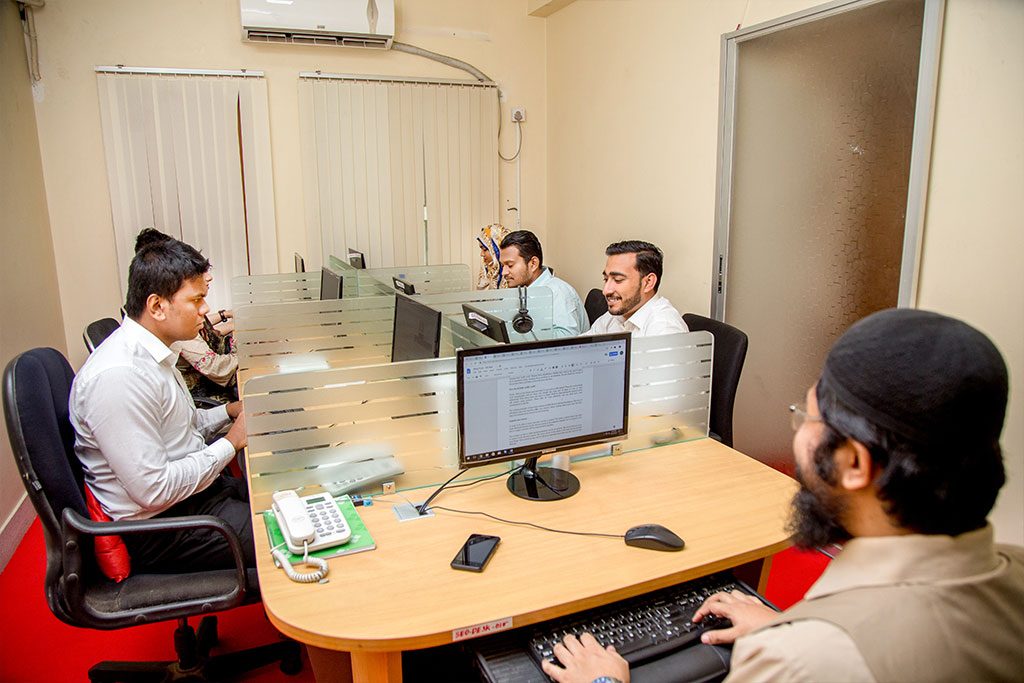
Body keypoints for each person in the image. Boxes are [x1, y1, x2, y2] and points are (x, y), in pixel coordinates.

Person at [543, 308, 1024, 683]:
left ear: (854, 464)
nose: (798, 435)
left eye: (807, 418)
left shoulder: (803, 661)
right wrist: (784, 623)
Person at [70, 238, 255, 571]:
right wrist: (231, 443)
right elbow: (154, 490)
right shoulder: (120, 376)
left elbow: (180, 427)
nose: (204, 310)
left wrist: (230, 412)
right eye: (196, 299)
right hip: (164, 528)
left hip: (194, 495)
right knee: (289, 533)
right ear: (157, 306)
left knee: (284, 497)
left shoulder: (153, 353)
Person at [134, 228, 238, 403]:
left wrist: (228, 318)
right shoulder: (171, 324)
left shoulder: (166, 320)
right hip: (209, 391)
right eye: (196, 299)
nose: (205, 309)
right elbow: (214, 367)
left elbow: (205, 332)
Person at [587, 240, 688, 337]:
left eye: (618, 280)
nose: (605, 291)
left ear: (648, 282)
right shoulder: (616, 315)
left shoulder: (665, 329)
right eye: (606, 279)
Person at [499, 230, 588, 337]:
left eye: (510, 265)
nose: (504, 272)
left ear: (533, 264)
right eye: (502, 266)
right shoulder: (522, 290)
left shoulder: (557, 292)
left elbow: (567, 338)